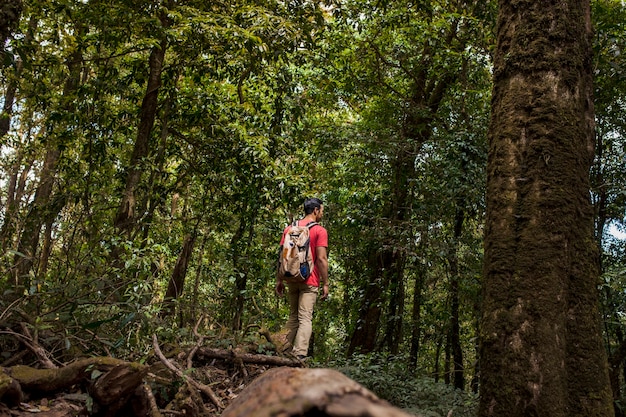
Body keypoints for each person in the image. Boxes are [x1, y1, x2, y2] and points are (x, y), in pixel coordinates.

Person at [275, 197, 329, 359]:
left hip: (291, 277)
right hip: (309, 280)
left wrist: (279, 280)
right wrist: (325, 283)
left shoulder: (289, 229)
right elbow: (321, 259)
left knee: (293, 316)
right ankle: (299, 354)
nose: (322, 214)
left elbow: (281, 256)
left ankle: (282, 350)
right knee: (305, 317)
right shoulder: (320, 231)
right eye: (322, 210)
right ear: (315, 210)